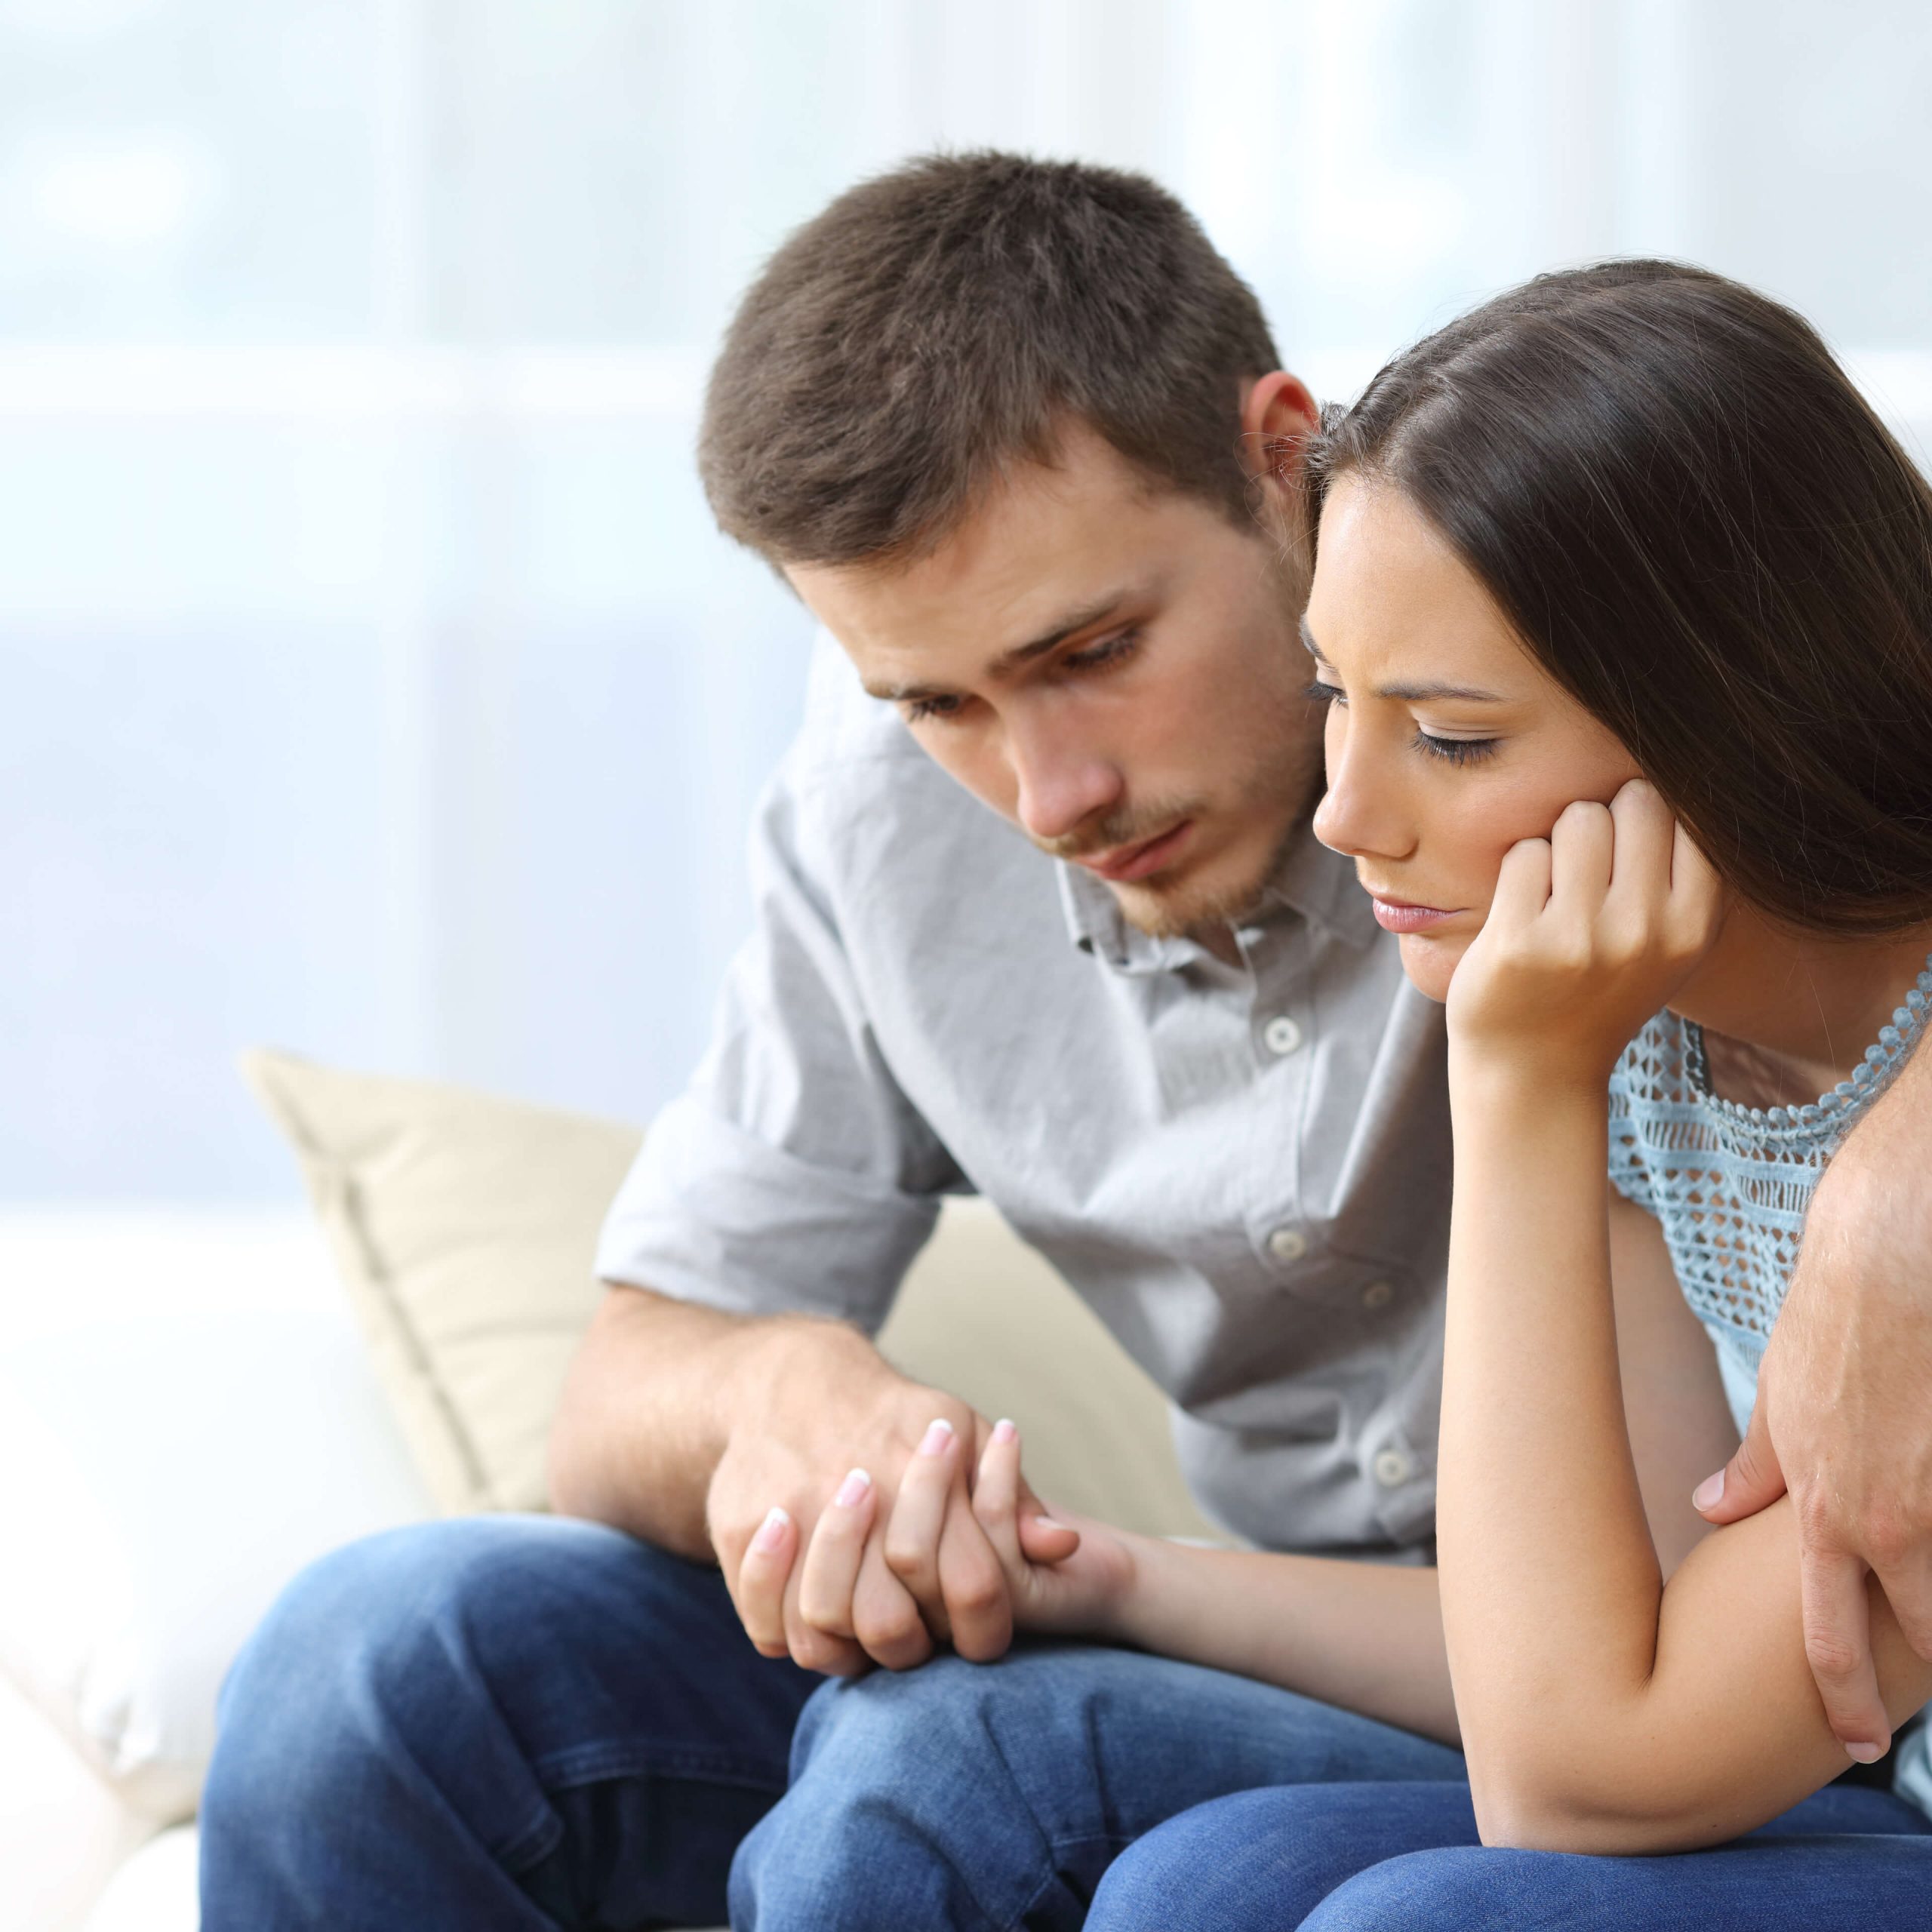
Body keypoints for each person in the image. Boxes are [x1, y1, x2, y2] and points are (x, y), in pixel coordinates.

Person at [196, 156, 1932, 1930]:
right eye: (934, 700)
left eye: (1095, 649)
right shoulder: (1578, 1023)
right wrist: (792, 1396)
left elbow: (1852, 696)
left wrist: (1901, 1170)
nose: (1049, 793)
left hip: (1662, 1698)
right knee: (383, 1666)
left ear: (1277, 459)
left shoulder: (1542, 657)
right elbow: (634, 1377)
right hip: (1378, 1639)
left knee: (991, 1781)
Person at [1065, 262, 1932, 1927]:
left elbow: (1570, 1779)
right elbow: (1610, 1640)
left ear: (1740, 717)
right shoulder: (1653, 1047)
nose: (1342, 815)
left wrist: (1517, 1083)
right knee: (1198, 1885)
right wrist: (1547, 1078)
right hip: (1856, 1785)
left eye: (1452, 739)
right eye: (1336, 698)